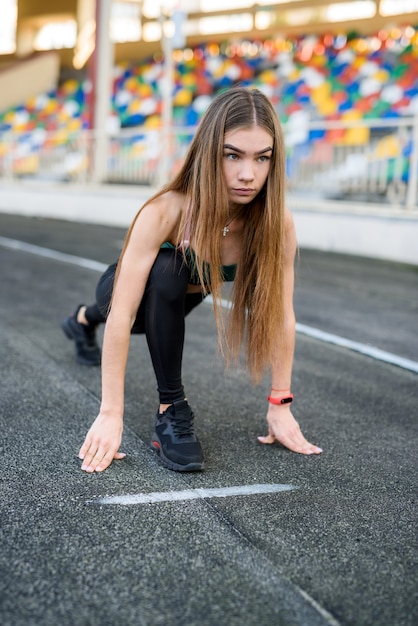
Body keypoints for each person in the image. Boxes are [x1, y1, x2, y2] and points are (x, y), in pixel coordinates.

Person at [62, 86, 322, 474]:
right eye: (232, 155)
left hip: (176, 304)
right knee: (164, 274)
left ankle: (80, 321)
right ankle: (170, 408)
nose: (247, 174)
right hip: (120, 294)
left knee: (168, 288)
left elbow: (281, 314)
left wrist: (280, 404)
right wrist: (110, 412)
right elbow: (122, 314)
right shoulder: (166, 211)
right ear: (208, 151)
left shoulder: (275, 223)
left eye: (261, 158)